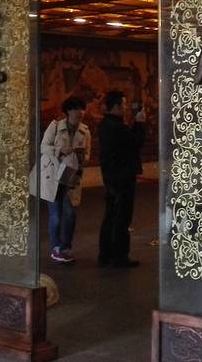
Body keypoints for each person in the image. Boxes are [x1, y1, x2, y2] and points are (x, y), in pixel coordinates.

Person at [98, 90, 146, 268]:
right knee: (122, 217)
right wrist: (140, 123)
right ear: (117, 107)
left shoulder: (106, 125)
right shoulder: (116, 127)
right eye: (124, 105)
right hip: (123, 177)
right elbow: (136, 142)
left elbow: (128, 141)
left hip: (111, 176)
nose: (126, 108)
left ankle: (105, 254)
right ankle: (119, 256)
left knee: (110, 215)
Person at [41, 96, 91, 264]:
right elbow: (44, 147)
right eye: (76, 108)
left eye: (82, 108)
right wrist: (61, 151)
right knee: (56, 215)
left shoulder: (85, 131)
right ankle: (56, 249)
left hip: (71, 177)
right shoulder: (55, 126)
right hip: (53, 175)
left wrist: (82, 156)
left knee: (70, 214)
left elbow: (88, 155)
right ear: (68, 111)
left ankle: (65, 247)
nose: (80, 112)